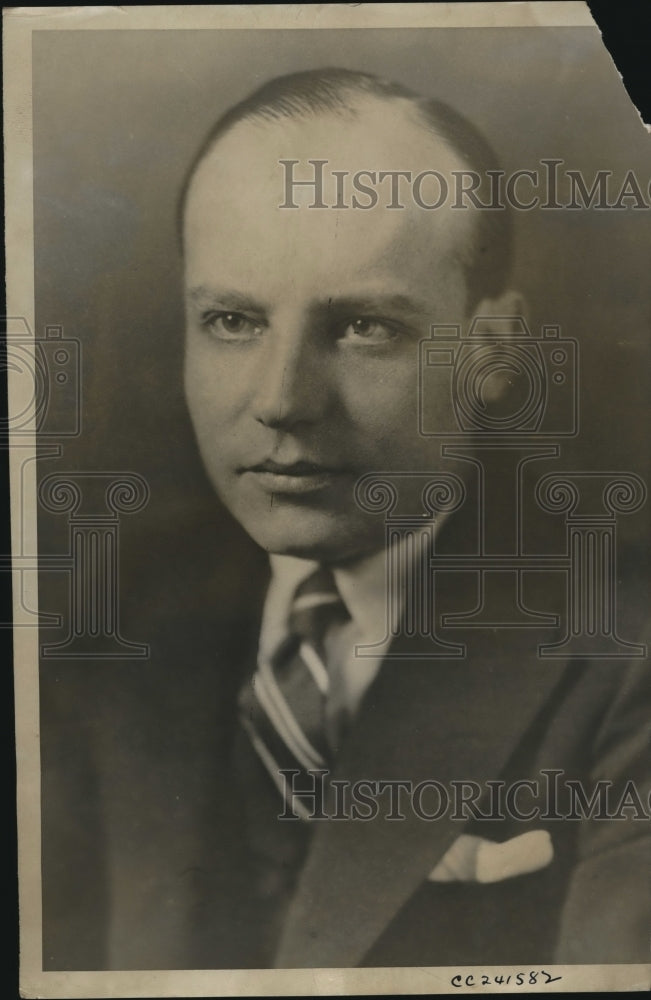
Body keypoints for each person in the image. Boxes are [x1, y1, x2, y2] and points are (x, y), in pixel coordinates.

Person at [41, 68, 649, 971]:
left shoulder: (622, 654)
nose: (282, 400)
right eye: (233, 321)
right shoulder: (95, 627)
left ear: (493, 349)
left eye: (364, 328)